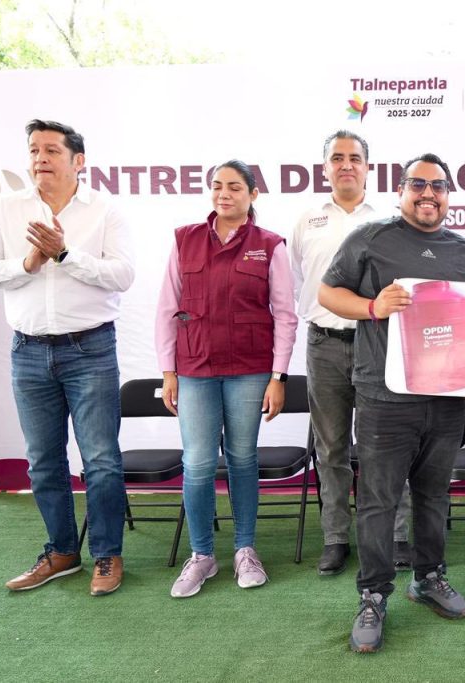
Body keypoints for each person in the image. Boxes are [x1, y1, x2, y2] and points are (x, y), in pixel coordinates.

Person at [319, 153, 465, 653]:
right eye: (418, 184)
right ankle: (373, 595)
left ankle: (429, 577)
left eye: (438, 186)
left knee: (434, 495)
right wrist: (373, 306)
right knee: (379, 501)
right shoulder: (371, 239)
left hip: (447, 399)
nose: (428, 194)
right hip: (384, 396)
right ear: (401, 191)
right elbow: (328, 294)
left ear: (448, 195)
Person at [0, 119, 134, 595]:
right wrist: (28, 263)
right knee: (43, 461)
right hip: (28, 350)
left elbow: (122, 275)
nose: (40, 158)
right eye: (34, 150)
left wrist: (64, 254)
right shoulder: (6, 208)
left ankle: (107, 554)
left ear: (78, 161)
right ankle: (62, 552)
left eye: (51, 151)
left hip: (91, 349)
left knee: (101, 460)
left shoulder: (104, 210)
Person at [155, 159, 298, 598]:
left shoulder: (270, 245)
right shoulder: (184, 239)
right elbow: (167, 309)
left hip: (250, 370)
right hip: (195, 369)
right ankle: (202, 555)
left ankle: (244, 550)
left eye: (235, 186)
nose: (224, 193)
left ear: (252, 194)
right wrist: (168, 372)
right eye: (217, 185)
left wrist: (278, 376)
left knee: (242, 459)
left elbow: (285, 316)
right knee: (197, 464)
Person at [291, 130, 412, 576]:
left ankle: (396, 534)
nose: (346, 165)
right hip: (324, 345)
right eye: (337, 158)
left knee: (387, 446)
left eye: (355, 158)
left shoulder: (389, 221)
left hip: (378, 343)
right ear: (325, 168)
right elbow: (301, 283)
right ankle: (335, 537)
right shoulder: (306, 221)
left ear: (368, 167)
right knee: (331, 447)